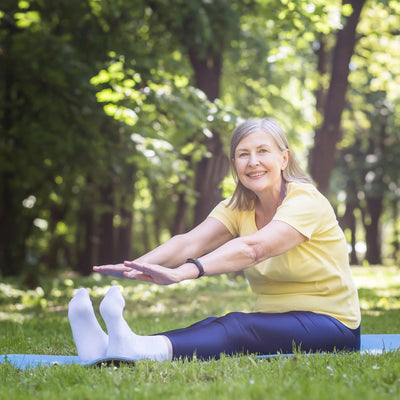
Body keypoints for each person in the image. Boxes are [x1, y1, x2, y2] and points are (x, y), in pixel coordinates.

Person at [68, 118, 361, 363]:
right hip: (277, 318)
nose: (253, 162)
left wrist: (185, 272)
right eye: (243, 154)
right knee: (214, 325)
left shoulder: (305, 200)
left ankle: (138, 350)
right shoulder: (238, 206)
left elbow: (254, 249)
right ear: (234, 163)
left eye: (263, 151)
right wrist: (135, 266)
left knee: (236, 327)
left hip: (332, 324)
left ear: (284, 158)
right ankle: (106, 347)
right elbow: (189, 243)